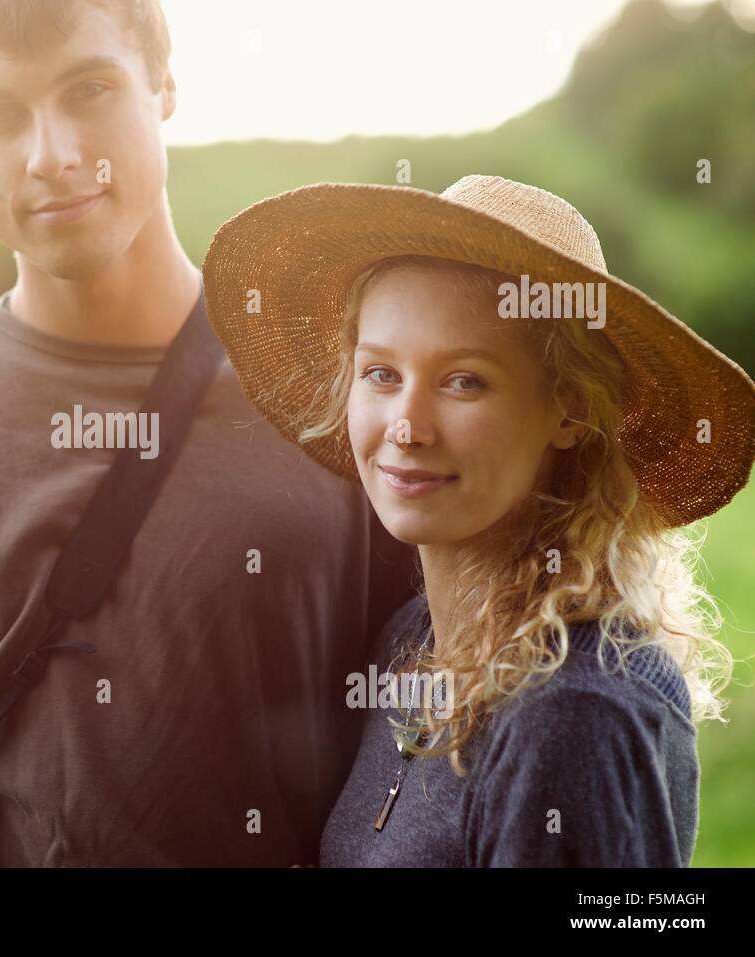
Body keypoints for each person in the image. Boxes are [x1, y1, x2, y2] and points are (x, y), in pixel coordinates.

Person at [0, 0, 417, 867]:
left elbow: (426, 782)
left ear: (164, 83)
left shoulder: (343, 410)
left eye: (91, 89)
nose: (53, 156)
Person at [203, 174, 753, 866]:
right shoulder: (418, 635)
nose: (406, 426)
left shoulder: (572, 712)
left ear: (569, 409)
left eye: (464, 380)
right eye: (380, 373)